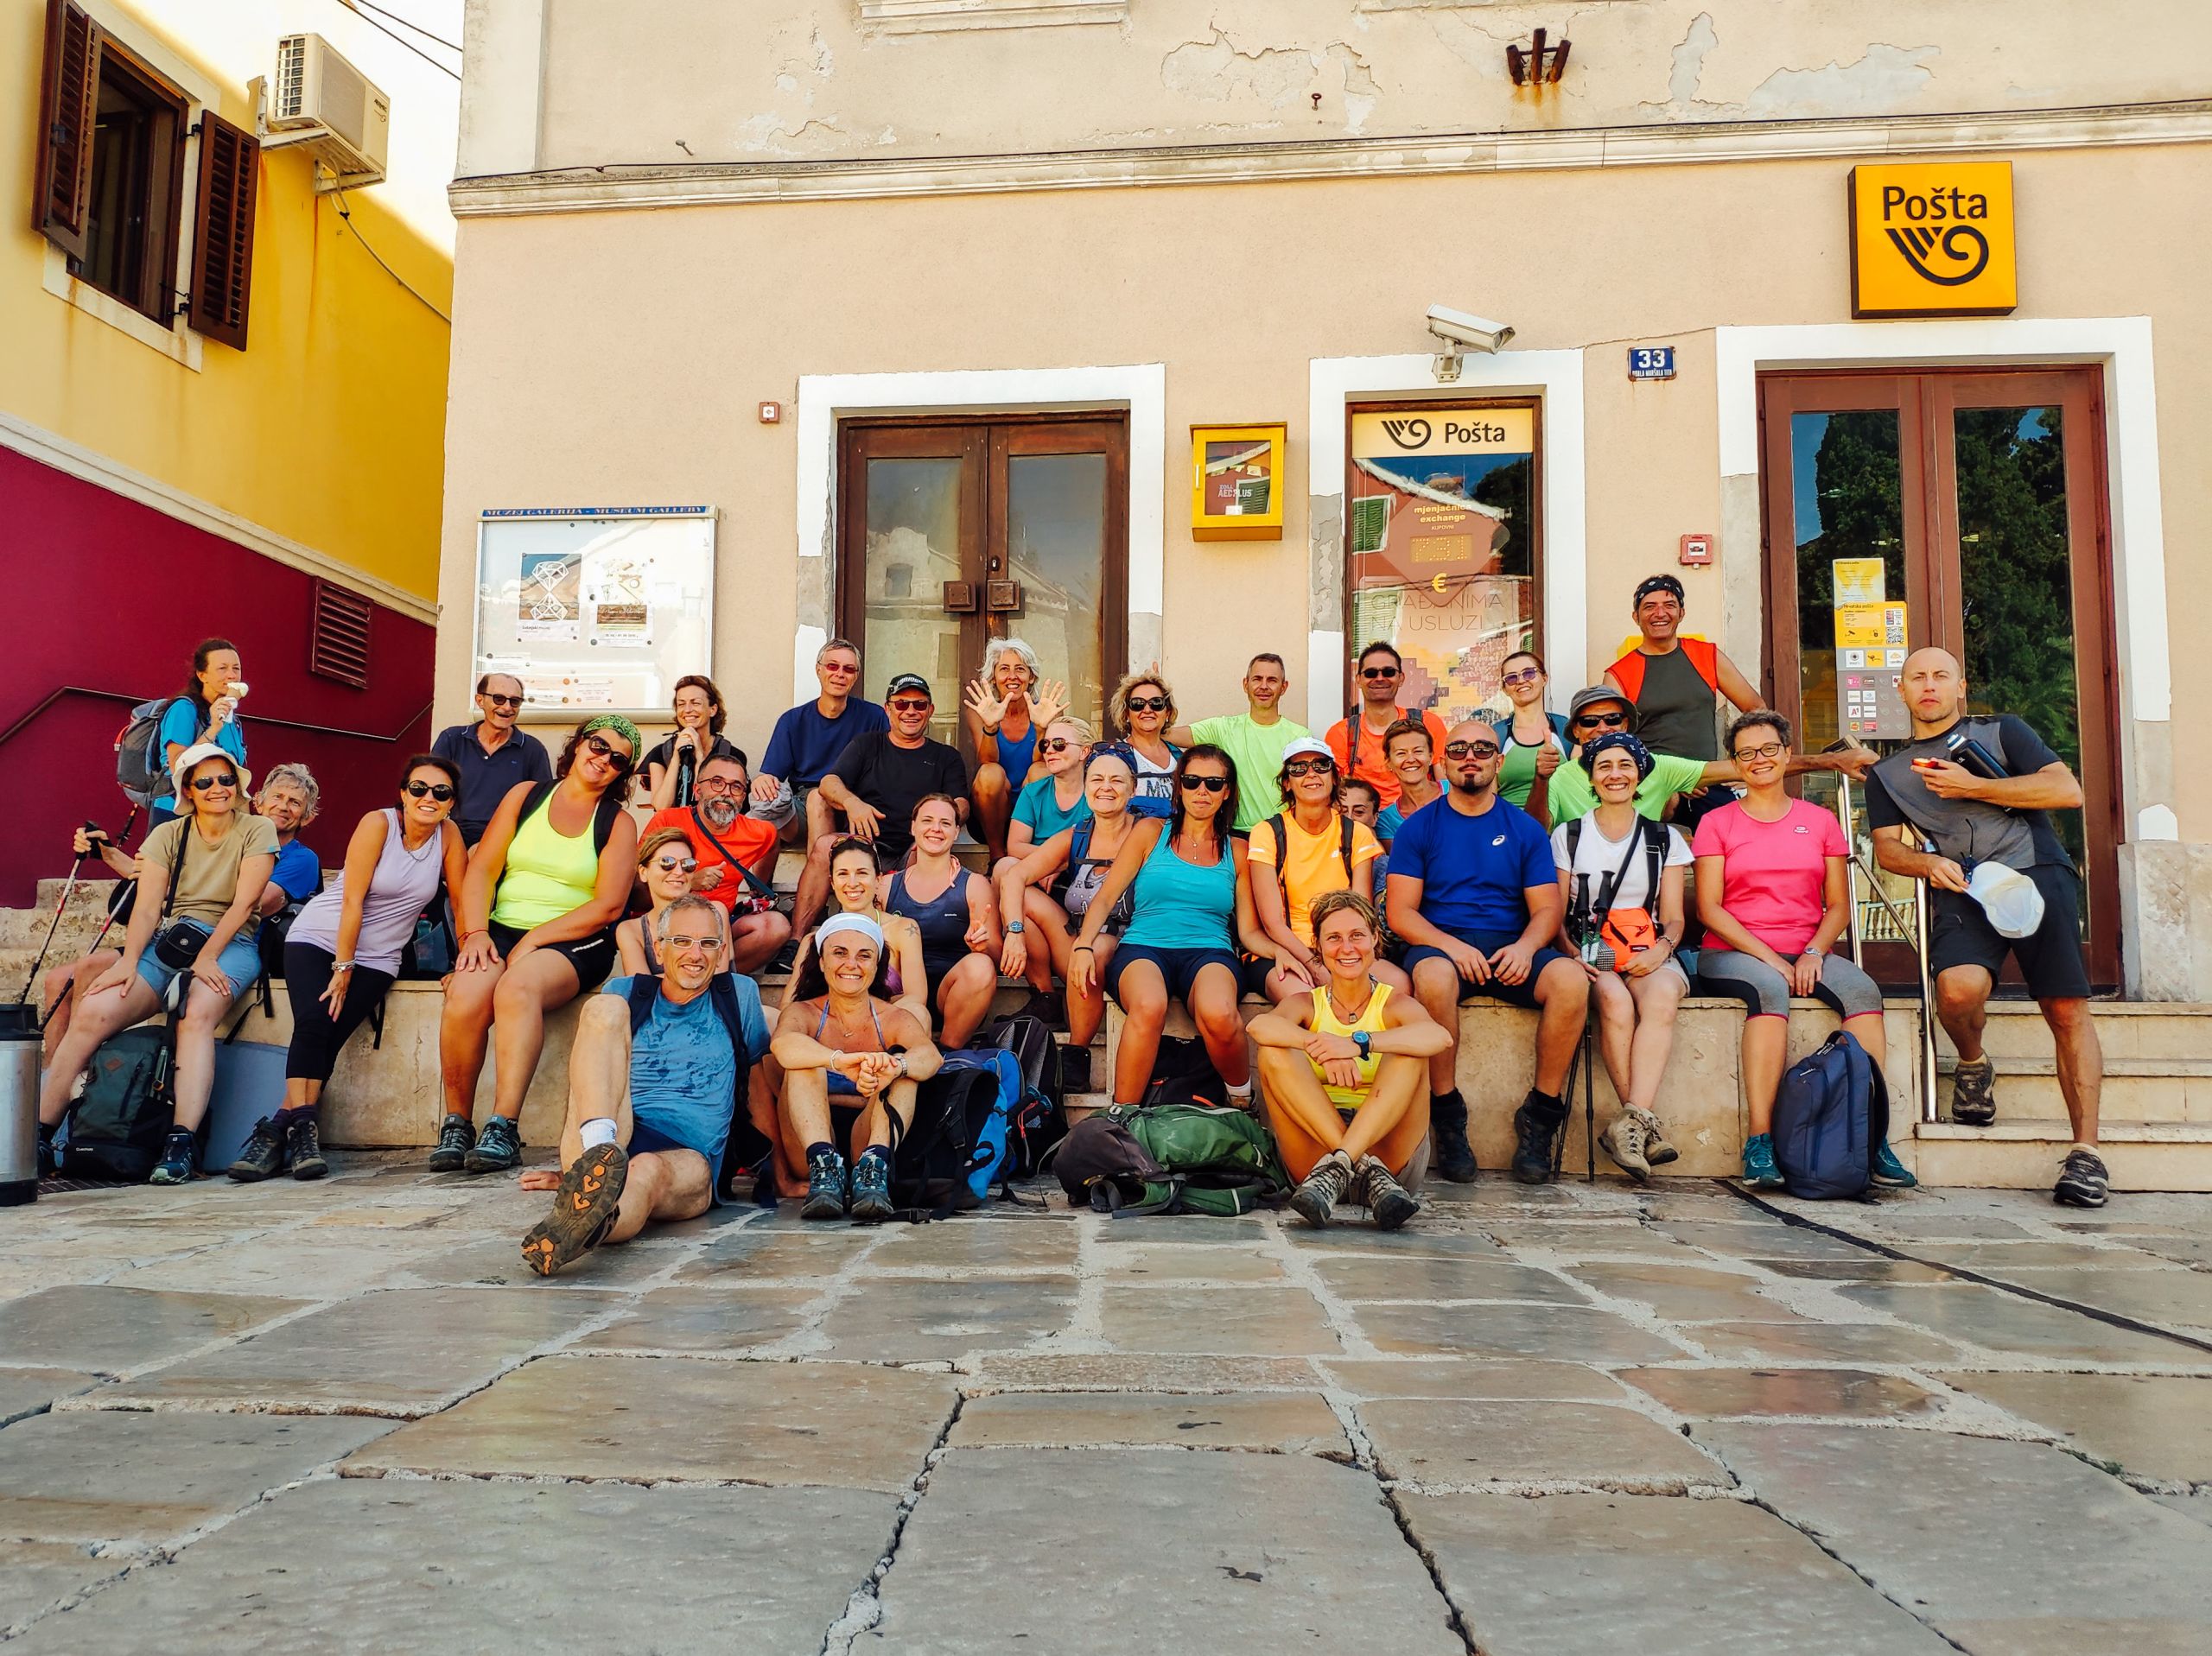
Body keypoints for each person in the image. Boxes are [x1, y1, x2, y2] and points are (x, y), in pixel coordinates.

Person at [1866, 647, 2106, 1207]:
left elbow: (2064, 791)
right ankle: (1973, 1065)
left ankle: (2087, 1152)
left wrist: (1972, 786)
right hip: (1967, 886)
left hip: (2037, 871)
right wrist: (1927, 863)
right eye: (1917, 677)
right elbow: (1886, 850)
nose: (1929, 685)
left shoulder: (2004, 732)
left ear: (1960, 686)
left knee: (2066, 1008)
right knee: (1956, 990)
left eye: (1940, 676)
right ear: (1902, 691)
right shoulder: (1887, 773)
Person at [1694, 711, 1915, 1192]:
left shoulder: (1820, 822)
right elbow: (1710, 909)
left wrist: (1815, 950)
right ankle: (1760, 1142)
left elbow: (1838, 905)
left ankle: (1872, 1140)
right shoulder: (1717, 822)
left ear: (1787, 754)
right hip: (1734, 950)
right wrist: (1773, 959)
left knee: (1863, 992)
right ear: (1735, 762)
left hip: (1807, 948)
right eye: (1747, 753)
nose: (1759, 760)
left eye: (1769, 749)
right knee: (1771, 988)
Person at [36, 746, 276, 1184]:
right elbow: (147, 908)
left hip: (230, 941)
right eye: (204, 782)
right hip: (171, 939)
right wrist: (128, 962)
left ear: (237, 784)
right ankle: (40, 1136)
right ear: (188, 790)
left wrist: (207, 957)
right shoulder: (168, 835)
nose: (217, 789)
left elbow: (245, 904)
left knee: (196, 1013)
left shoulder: (257, 829)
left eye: (225, 779)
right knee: (92, 1012)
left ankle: (180, 1142)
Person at [229, 756, 468, 1183]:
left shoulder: (448, 837)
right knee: (314, 1023)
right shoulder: (378, 824)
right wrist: (343, 965)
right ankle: (304, 1131)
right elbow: (353, 899)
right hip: (320, 936)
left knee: (330, 1033)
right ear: (403, 793)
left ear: (451, 802)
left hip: (380, 956)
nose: (428, 798)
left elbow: (461, 900)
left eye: (440, 792)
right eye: (419, 788)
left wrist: (466, 953)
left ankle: (279, 1129)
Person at [518, 895, 772, 1276]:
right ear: (658, 947)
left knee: (646, 1170)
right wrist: (578, 1164)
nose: (695, 954)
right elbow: (594, 1076)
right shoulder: (626, 994)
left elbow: (759, 1083)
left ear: (721, 952)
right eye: (682, 941)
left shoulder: (738, 995)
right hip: (614, 1130)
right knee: (604, 1008)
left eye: (708, 944)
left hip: (690, 1156)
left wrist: (775, 1173)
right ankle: (595, 1161)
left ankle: (586, 1222)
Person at [1385, 720, 1591, 1185]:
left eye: (1482, 749)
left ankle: (1540, 1116)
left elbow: (1546, 910)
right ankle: (1448, 1115)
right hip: (1442, 945)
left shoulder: (1524, 828)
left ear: (1498, 762)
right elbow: (1401, 913)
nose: (1470, 757)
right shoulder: (1420, 827)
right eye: (1458, 750)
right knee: (1434, 977)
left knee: (1571, 981)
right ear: (1443, 764)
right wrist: (1451, 946)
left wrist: (1525, 947)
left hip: (1510, 948)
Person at [435, 714, 641, 1176]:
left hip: (575, 939)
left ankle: (503, 1127)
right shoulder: (526, 795)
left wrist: (534, 939)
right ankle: (457, 1123)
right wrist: (475, 933)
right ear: (579, 743)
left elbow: (609, 905)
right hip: (501, 929)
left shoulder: (617, 822)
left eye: (617, 759)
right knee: (468, 993)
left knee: (516, 988)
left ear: (622, 774)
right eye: (598, 744)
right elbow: (483, 870)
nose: (603, 759)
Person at [1070, 746, 1262, 1107]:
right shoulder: (1150, 832)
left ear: (1228, 791)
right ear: (1179, 786)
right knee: (1149, 1004)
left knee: (1219, 1013)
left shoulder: (1236, 850)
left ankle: (1241, 1100)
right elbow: (1107, 897)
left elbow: (1249, 931)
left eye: (1213, 782)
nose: (1201, 791)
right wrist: (1083, 945)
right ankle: (1122, 1116)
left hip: (1210, 950)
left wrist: (1289, 955)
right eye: (1192, 781)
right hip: (1144, 945)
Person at [1251, 892, 1448, 1231]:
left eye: (1357, 935)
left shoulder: (1394, 1004)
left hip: (1391, 1151)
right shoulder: (1305, 1004)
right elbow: (1259, 1026)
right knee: (1274, 1050)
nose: (1347, 948)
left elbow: (1439, 1038)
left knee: (1409, 1049)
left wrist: (1358, 1045)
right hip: (1317, 1165)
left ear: (1375, 938)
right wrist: (1321, 1045)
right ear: (1319, 946)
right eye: (1334, 938)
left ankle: (1346, 1161)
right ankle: (1360, 1167)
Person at [1550, 733, 1691, 1180]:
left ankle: (1630, 1123)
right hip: (1588, 952)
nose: (1616, 774)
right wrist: (1573, 953)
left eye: (1625, 765)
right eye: (1605, 766)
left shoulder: (1664, 838)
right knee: (1613, 999)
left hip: (1649, 948)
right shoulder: (1569, 835)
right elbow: (1555, 914)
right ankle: (1644, 1127)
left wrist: (1662, 951)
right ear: (1591, 777)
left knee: (1663, 995)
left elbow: (1673, 917)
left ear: (1640, 775)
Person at [772, 913, 943, 1222]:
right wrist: (836, 1060)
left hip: (867, 1137)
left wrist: (895, 1066)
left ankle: (873, 1170)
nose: (851, 964)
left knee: (904, 1070)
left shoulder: (892, 1017)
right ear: (822, 962)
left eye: (864, 956)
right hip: (807, 1143)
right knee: (803, 1061)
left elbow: (930, 1056)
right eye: (839, 953)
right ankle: (825, 1169)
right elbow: (782, 1046)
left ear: (877, 966)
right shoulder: (804, 1012)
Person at [1529, 686, 1872, 830]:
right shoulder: (1561, 777)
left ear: (1629, 726)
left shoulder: (1658, 767)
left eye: (1613, 720)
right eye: (1590, 721)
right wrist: (1541, 780)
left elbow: (1749, 765)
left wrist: (1832, 762)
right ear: (1575, 731)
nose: (1602, 728)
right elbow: (1538, 829)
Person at [793, 673, 968, 938]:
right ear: (888, 709)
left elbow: (961, 805)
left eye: (919, 705)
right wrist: (852, 802)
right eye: (901, 704)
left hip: (915, 849)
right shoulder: (867, 745)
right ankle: (797, 940)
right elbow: (829, 782)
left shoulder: (946, 756)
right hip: (865, 845)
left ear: (930, 711)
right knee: (823, 843)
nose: (910, 711)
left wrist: (934, 822)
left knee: (925, 853)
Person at [997, 743, 1141, 1045]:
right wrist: (1014, 931)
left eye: (1116, 780)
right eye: (1097, 779)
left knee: (1096, 947)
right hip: (1077, 942)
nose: (1105, 788)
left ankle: (1077, 1050)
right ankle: (1046, 995)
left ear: (1133, 789)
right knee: (1015, 886)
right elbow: (1014, 876)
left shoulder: (1148, 833)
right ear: (1086, 787)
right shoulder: (1077, 836)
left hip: (1131, 946)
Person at [1245, 737, 1400, 1004]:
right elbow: (1272, 923)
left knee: (1400, 987)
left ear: (1334, 777)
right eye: (1298, 768)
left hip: (1344, 945)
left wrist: (1340, 958)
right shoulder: (1268, 832)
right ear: (1287, 783)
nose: (1311, 774)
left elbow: (1360, 912)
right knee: (1308, 1001)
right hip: (1286, 949)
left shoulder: (1356, 833)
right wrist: (1315, 965)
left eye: (1321, 765)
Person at [1602, 575, 1764, 827]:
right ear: (1636, 617)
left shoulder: (1707, 655)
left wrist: (1743, 762)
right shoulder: (1618, 674)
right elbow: (1612, 741)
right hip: (1652, 784)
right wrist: (1672, 780)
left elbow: (1756, 709)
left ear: (1681, 612)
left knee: (1742, 841)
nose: (1660, 613)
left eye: (1669, 605)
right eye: (1649, 606)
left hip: (1708, 782)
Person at [642, 752, 789, 975]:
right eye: (717, 783)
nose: (726, 793)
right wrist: (690, 881)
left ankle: (708, 978)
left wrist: (759, 889)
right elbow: (633, 888)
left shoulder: (758, 832)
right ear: (698, 790)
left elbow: (772, 842)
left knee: (776, 926)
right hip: (668, 927)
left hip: (720, 927)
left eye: (736, 787)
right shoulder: (667, 821)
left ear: (743, 797)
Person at [882, 794, 1002, 1050]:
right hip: (898, 996)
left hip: (950, 997)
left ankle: (948, 1053)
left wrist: (982, 946)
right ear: (913, 827)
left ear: (956, 831)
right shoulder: (885, 886)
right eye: (927, 820)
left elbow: (997, 955)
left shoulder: (974, 884)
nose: (936, 829)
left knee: (980, 965)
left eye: (945, 823)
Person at [754, 638, 888, 848]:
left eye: (849, 669)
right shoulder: (793, 720)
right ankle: (757, 882)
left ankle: (818, 878)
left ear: (856, 677)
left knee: (820, 796)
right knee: (762, 812)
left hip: (856, 803)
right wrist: (762, 780)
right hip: (804, 805)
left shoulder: (874, 716)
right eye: (832, 666)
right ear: (819, 670)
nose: (840, 674)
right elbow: (773, 776)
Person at [1169, 653, 1313, 834]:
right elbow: (1167, 734)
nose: (1264, 686)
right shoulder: (1224, 729)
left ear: (1284, 687)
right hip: (1237, 835)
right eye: (1257, 679)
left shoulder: (1300, 737)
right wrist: (1157, 698)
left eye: (1272, 680)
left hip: (1285, 834)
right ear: (1246, 684)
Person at [963, 638, 1068, 860]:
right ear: (994, 677)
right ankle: (997, 855)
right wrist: (991, 726)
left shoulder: (1047, 711)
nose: (1012, 676)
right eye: (1004, 669)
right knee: (990, 772)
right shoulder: (980, 711)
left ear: (1031, 677)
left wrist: (1041, 729)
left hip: (1032, 805)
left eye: (1020, 669)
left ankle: (1028, 848)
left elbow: (1048, 763)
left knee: (1041, 770)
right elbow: (986, 759)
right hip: (991, 809)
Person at [431, 673, 554, 847]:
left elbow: (543, 804)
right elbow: (431, 788)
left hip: (506, 837)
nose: (507, 707)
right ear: (480, 700)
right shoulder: (452, 739)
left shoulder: (533, 749)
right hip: (453, 833)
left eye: (515, 701)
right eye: (499, 699)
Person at [1325, 642, 1448, 809]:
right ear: (1358, 679)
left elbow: (1444, 785)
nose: (1380, 678)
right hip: (1368, 826)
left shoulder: (1428, 723)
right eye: (1371, 673)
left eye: (1389, 672)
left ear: (1401, 678)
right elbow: (1341, 795)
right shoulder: (1342, 733)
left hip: (1424, 819)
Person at [148, 639, 247, 828]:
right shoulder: (184, 710)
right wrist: (213, 729)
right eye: (222, 668)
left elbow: (238, 777)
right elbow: (177, 765)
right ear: (202, 675)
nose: (232, 675)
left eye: (236, 668)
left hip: (217, 817)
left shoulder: (233, 720)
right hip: (176, 813)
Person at [617, 827, 728, 977]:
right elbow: (640, 988)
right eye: (667, 862)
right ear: (644, 872)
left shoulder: (715, 912)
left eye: (687, 864)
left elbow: (715, 979)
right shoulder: (631, 930)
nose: (679, 872)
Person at [641, 675, 747, 813]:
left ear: (712, 710)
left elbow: (707, 803)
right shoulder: (661, 753)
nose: (688, 709)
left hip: (711, 831)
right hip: (673, 832)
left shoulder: (730, 754)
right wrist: (675, 758)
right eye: (681, 704)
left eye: (695, 703)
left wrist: (699, 756)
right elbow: (661, 807)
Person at [1491, 650, 1572, 811]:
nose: (1521, 681)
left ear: (1544, 678)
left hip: (1561, 830)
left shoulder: (1565, 728)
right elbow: (1487, 796)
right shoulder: (1496, 735)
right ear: (1505, 689)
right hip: (1511, 829)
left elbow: (1580, 785)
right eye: (1512, 678)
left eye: (1529, 673)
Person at [1006, 717, 1093, 860]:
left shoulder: (1099, 793)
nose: (1049, 751)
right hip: (1038, 869)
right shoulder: (1032, 792)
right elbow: (1015, 847)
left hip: (1084, 871)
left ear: (1084, 752)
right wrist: (1052, 861)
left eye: (1059, 744)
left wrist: (1064, 862)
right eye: (1045, 745)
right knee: (1004, 866)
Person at [251, 765, 325, 920]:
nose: (283, 807)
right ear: (258, 802)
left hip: (250, 940)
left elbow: (259, 904)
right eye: (277, 796)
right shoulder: (237, 843)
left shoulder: (304, 859)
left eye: (295, 802)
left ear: (307, 818)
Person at [1109, 670, 1185, 819]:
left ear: (1167, 712)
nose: (1147, 710)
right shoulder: (1114, 757)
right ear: (1126, 714)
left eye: (1156, 703)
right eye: (1138, 704)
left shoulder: (1180, 758)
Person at [1373, 718, 1445, 843]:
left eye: (1418, 751)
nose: (1411, 759)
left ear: (1431, 756)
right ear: (1388, 762)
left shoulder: (1456, 791)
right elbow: (1400, 861)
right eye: (1401, 753)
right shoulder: (1386, 820)